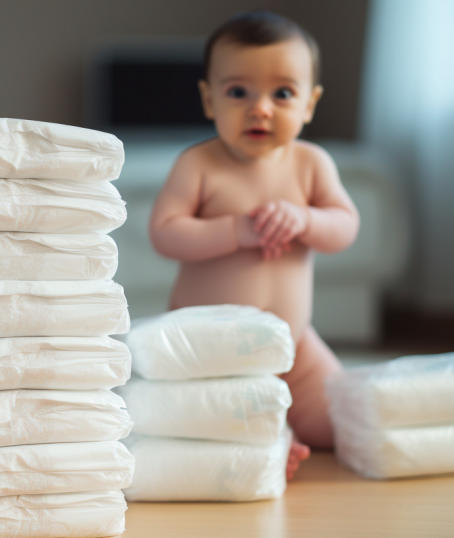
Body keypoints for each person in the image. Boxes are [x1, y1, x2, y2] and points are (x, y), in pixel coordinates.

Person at [148, 11, 359, 479]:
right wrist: (235, 231)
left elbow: (344, 226)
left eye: (282, 93)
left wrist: (306, 219)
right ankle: (269, 438)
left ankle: (291, 426)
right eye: (238, 92)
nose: (260, 108)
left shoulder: (311, 164)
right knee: (202, 416)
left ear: (309, 104)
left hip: (293, 345)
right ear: (209, 99)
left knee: (344, 419)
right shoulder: (198, 164)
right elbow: (165, 232)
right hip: (207, 350)